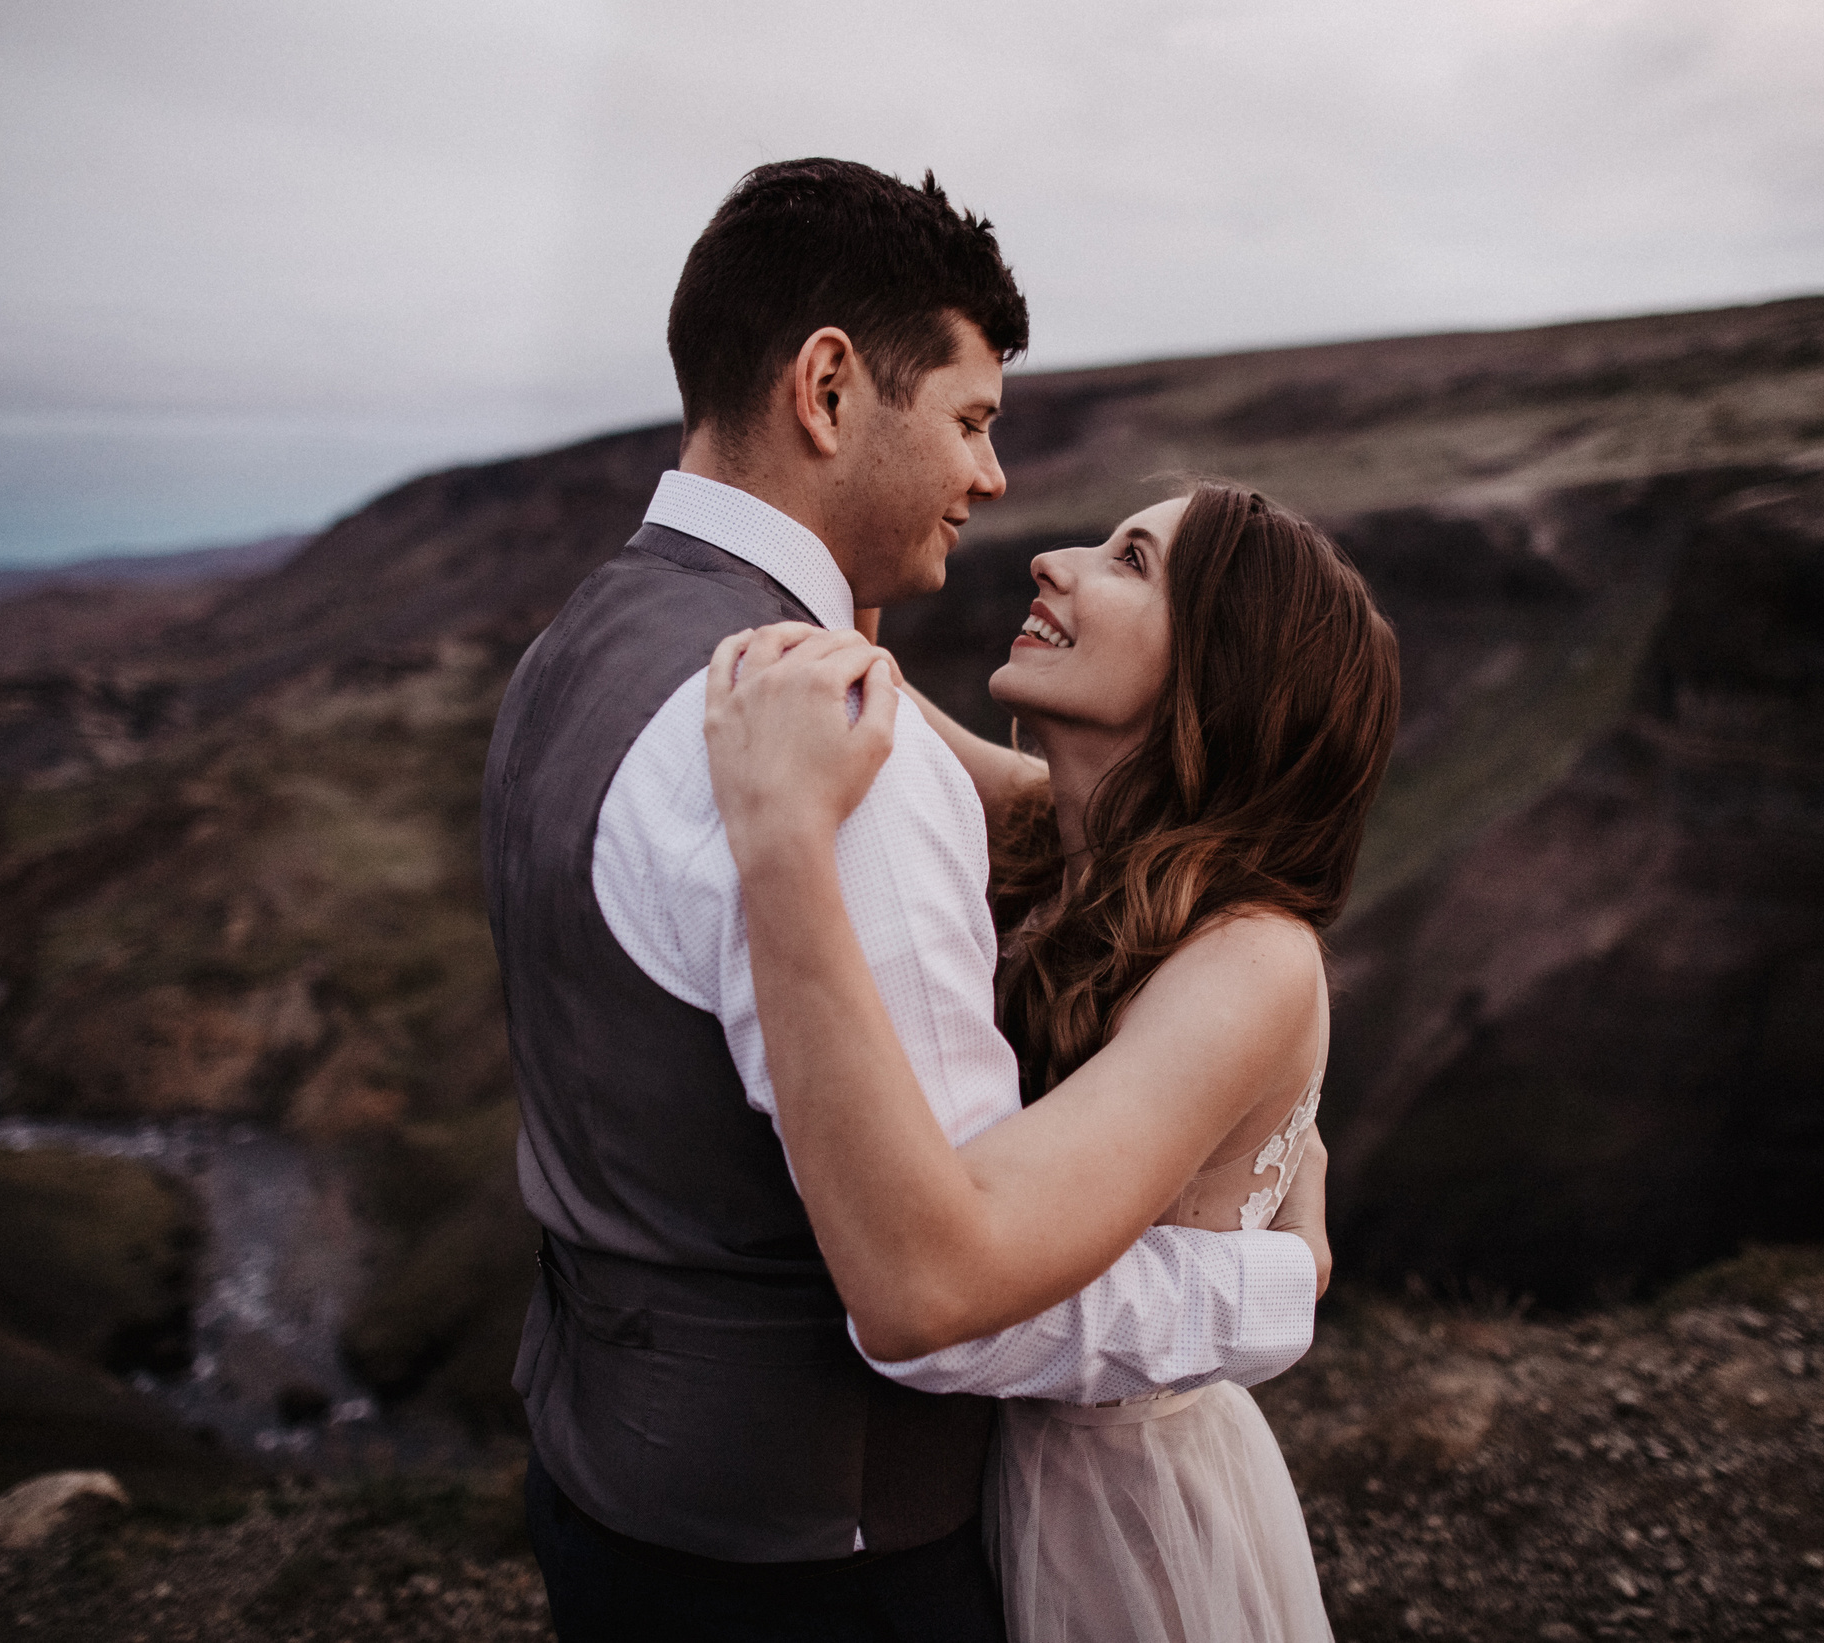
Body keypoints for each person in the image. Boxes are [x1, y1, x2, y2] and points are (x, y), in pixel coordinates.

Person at [481, 160, 1331, 1642]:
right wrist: (1277, 1282)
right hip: (825, 1561)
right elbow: (951, 1287)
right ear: (827, 389)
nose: (997, 482)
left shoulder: (576, 649)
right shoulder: (833, 750)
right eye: (971, 418)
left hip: (609, 1480)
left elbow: (1066, 809)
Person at [703, 479, 1402, 1642]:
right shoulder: (1063, 831)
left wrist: (781, 838)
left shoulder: (1251, 958)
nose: (1053, 563)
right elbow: (857, 663)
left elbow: (951, 1281)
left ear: (1222, 671)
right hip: (986, 1474)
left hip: (1127, 1521)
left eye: (1129, 561)